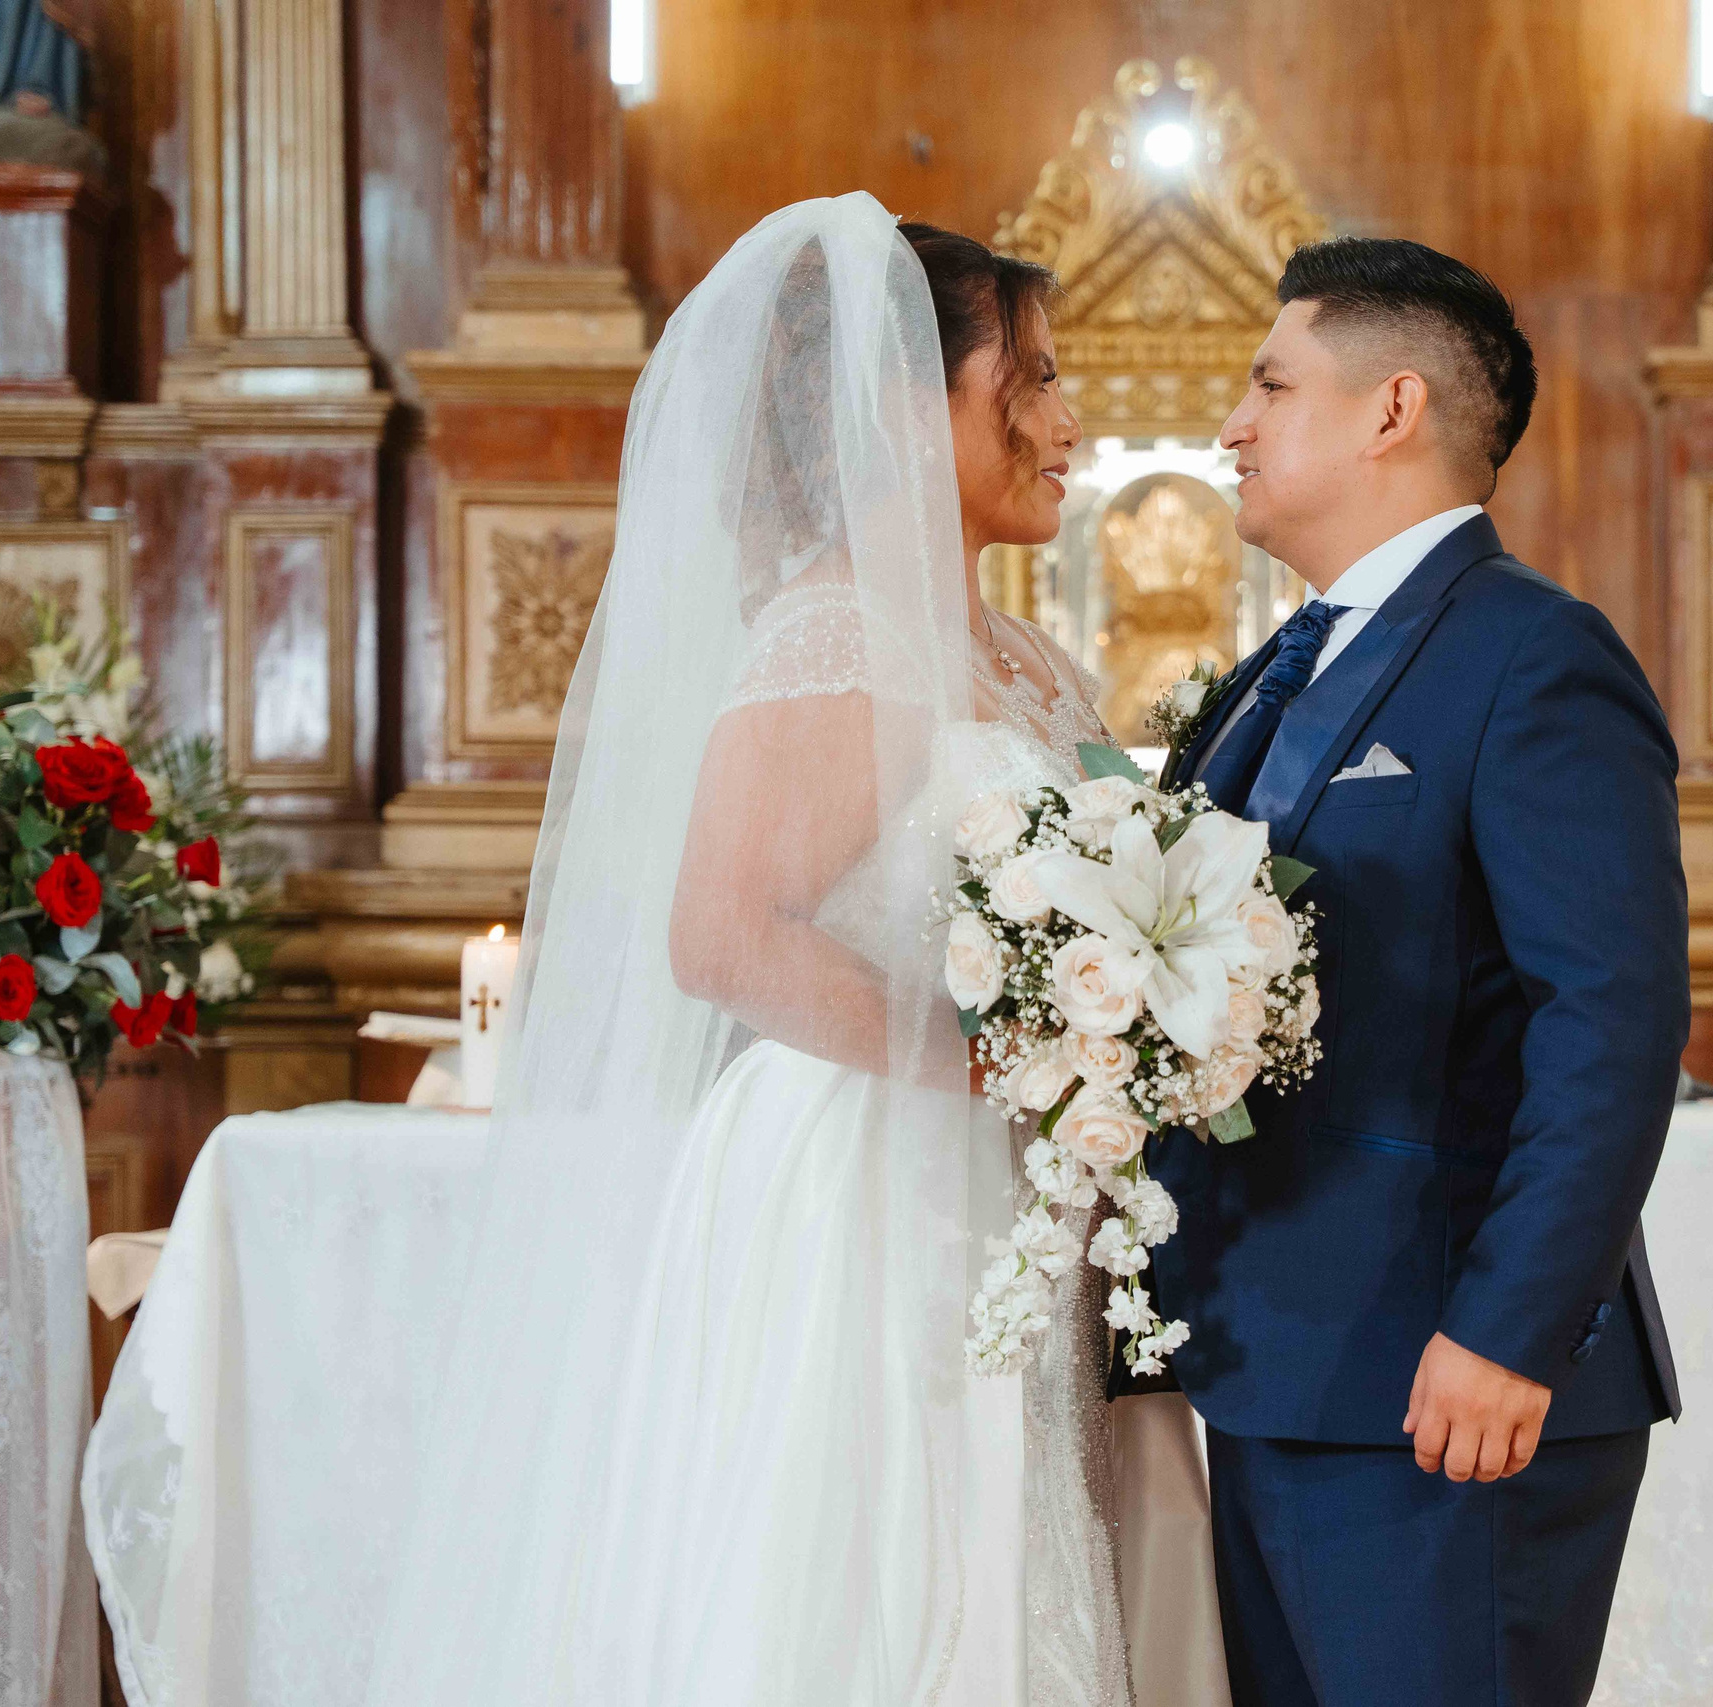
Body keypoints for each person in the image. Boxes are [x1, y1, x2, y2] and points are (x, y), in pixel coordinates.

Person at [364, 194, 1227, 1706]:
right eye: (1029, 380)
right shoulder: (840, 636)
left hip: (1029, 1189)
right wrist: (1006, 1061)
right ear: (903, 402)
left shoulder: (1032, 660)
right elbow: (724, 937)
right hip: (871, 1192)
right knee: (885, 1579)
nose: (1067, 422)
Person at [1147, 237, 1690, 1707]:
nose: (1232, 426)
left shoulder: (1537, 656)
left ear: (1392, 408)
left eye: (1270, 384)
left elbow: (1612, 1019)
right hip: (1282, 1367)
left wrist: (1508, 1332)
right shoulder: (1279, 672)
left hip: (1447, 1386)